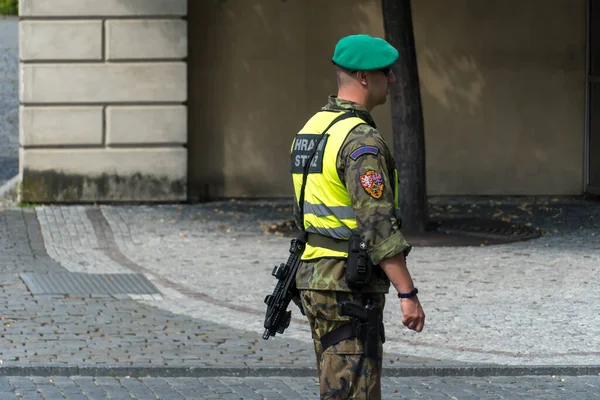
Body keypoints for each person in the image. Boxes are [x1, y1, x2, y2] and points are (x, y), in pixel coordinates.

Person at [289, 34, 426, 399]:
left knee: (336, 386)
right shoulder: (360, 140)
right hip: (348, 283)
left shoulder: (311, 130)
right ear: (365, 77)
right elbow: (378, 226)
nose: (393, 79)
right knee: (355, 392)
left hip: (313, 278)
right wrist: (407, 292)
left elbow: (304, 211)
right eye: (387, 72)